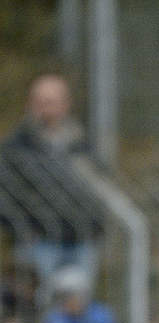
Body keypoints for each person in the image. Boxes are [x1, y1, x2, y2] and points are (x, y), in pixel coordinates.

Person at [0, 73, 103, 291]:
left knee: (79, 306)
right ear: (29, 104)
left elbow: (99, 186)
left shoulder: (81, 144)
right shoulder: (15, 148)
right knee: (39, 305)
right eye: (40, 102)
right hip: (39, 242)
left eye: (51, 102)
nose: (46, 109)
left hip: (82, 239)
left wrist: (96, 226)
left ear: (65, 104)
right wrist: (23, 230)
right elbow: (5, 196)